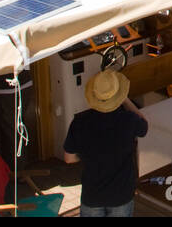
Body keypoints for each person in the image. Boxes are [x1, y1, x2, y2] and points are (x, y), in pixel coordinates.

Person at [63, 69, 148, 217]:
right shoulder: (129, 120)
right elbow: (144, 125)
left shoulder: (80, 123)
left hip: (92, 194)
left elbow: (69, 158)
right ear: (118, 96)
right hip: (121, 193)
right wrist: (126, 99)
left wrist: (86, 156)